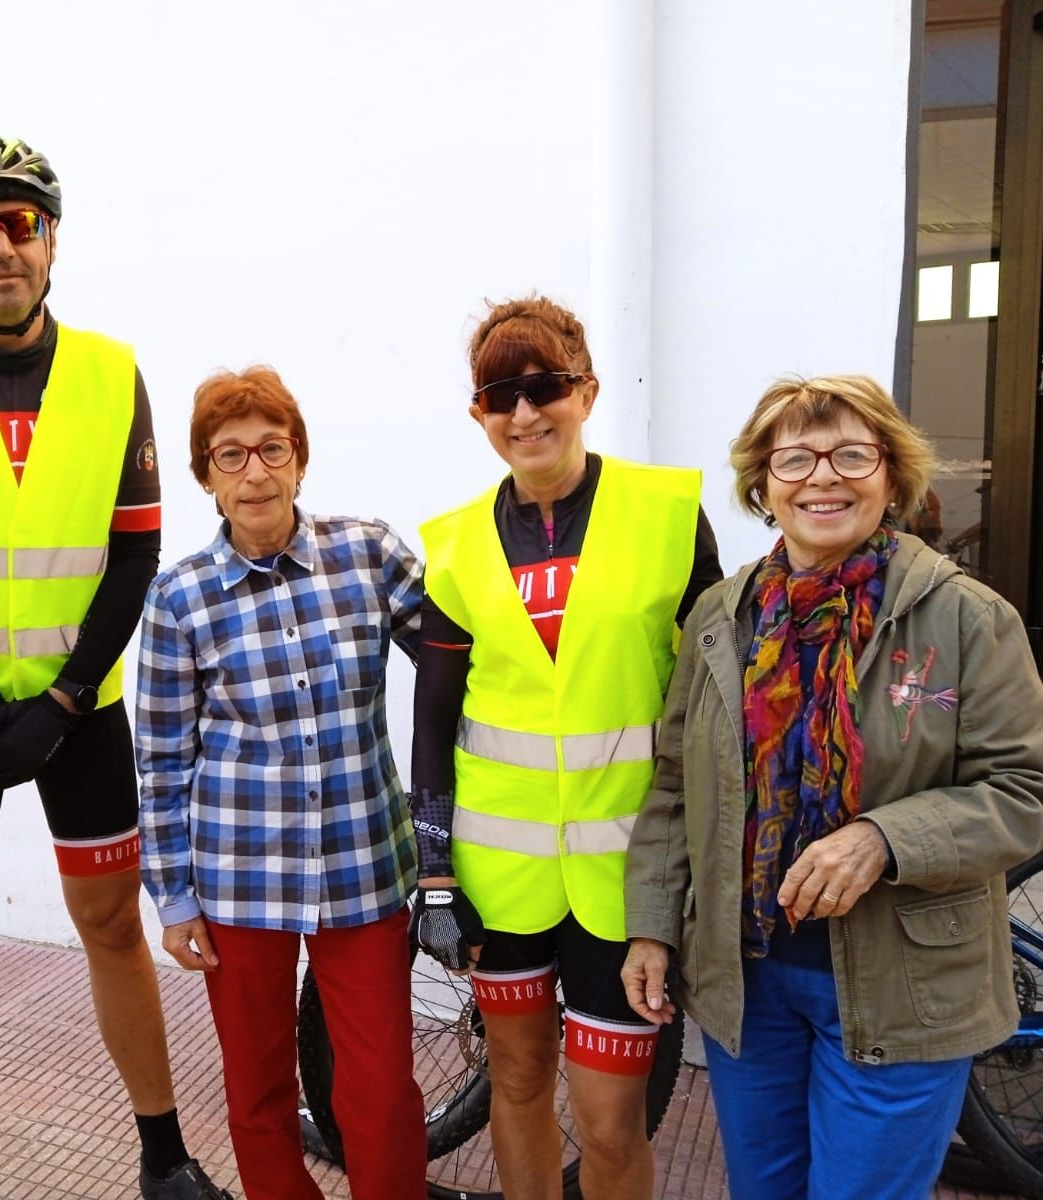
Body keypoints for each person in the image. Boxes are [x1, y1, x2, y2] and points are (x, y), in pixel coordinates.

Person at [0, 129, 226, 1200]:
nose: (1, 247)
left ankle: (164, 1157)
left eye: (21, 224)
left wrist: (60, 700)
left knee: (111, 925)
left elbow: (136, 549)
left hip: (80, 714)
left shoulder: (112, 372)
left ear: (53, 240)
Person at [623, 374, 1043, 1199]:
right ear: (762, 484)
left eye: (852, 453)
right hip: (750, 980)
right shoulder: (721, 615)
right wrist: (651, 928)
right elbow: (675, 783)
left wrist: (886, 838)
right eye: (795, 459)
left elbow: (1023, 790)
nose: (823, 477)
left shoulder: (966, 618)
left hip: (903, 985)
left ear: (890, 475)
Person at [408, 295, 722, 1200]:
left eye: (543, 386)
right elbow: (434, 725)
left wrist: (694, 866)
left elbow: (710, 708)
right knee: (514, 1085)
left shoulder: (670, 516)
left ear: (584, 391)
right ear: (479, 414)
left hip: (629, 880)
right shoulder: (456, 546)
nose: (523, 413)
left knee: (611, 1120)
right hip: (499, 880)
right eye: (499, 395)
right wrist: (434, 875)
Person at [137, 365, 427, 1199]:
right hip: (239, 881)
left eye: (272, 448)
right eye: (230, 456)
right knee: (258, 1092)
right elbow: (159, 760)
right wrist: (175, 896)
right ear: (204, 477)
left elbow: (459, 664)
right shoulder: (180, 598)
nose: (255, 472)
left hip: (362, 868)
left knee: (379, 1089)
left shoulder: (367, 554)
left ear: (300, 459)